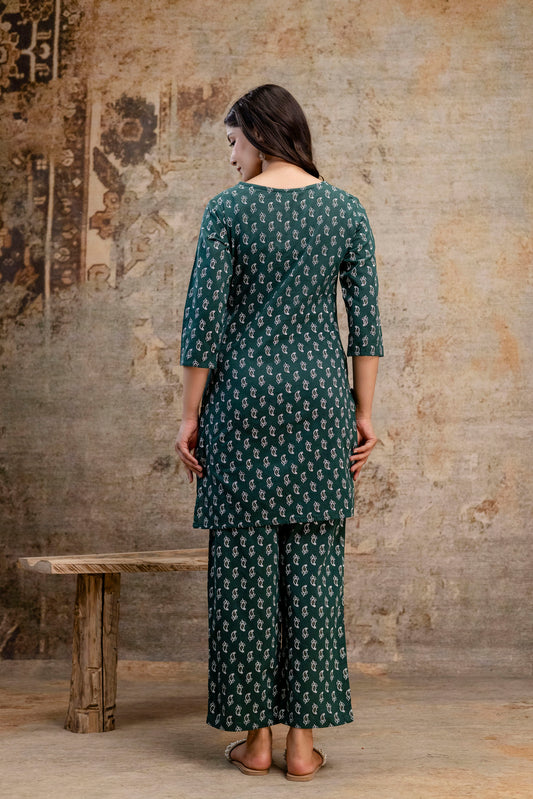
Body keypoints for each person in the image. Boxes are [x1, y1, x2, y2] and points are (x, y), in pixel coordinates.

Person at [175, 84, 383, 781]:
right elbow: (366, 326)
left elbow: (203, 324)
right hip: (321, 405)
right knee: (315, 572)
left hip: (240, 404)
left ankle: (255, 740)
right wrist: (362, 410)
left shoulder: (228, 211)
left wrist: (189, 416)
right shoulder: (345, 209)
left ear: (260, 136)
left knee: (243, 573)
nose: (231, 157)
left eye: (233, 142)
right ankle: (301, 745)